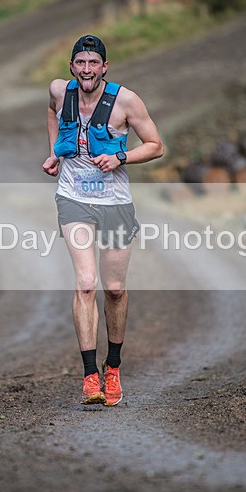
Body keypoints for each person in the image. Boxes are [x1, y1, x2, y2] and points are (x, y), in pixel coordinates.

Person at [43, 35, 164, 406]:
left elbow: (156, 145)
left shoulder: (125, 101)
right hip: (73, 199)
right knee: (85, 284)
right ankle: (89, 376)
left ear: (104, 67)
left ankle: (113, 367)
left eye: (93, 63)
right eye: (80, 63)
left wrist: (121, 158)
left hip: (114, 202)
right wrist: (54, 153)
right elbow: (51, 110)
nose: (86, 70)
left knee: (113, 289)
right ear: (71, 67)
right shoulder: (60, 92)